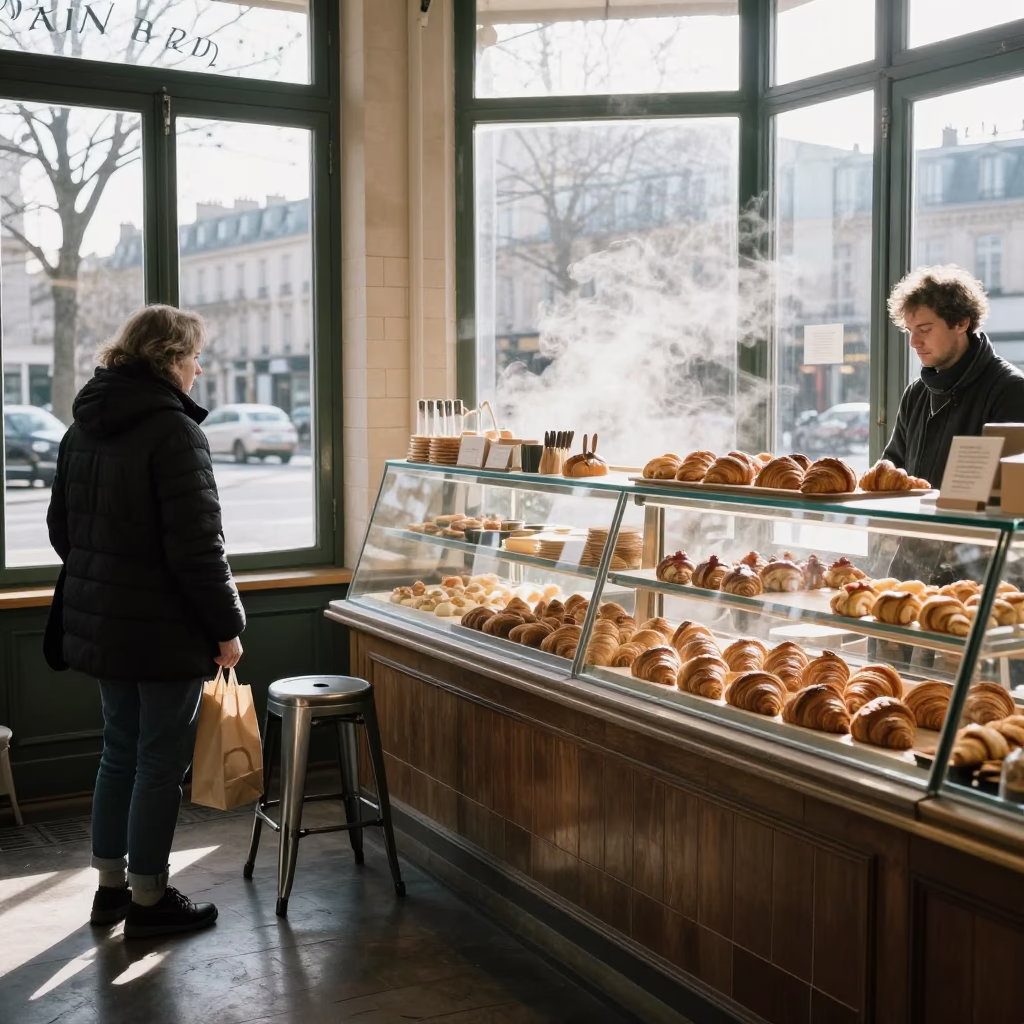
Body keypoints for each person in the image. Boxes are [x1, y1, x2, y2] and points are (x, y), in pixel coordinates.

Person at [45, 305, 246, 940]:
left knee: (118, 754)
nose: (197, 367)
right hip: (162, 631)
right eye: (192, 357)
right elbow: (197, 549)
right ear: (167, 360)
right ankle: (151, 900)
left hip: (104, 624)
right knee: (160, 764)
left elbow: (61, 532)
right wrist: (227, 627)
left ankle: (110, 890)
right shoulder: (174, 432)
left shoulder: (82, 429)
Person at [881, 265, 1024, 585]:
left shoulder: (1011, 391)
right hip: (910, 575)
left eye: (925, 329)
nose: (914, 342)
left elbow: (1009, 502)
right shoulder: (916, 393)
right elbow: (893, 470)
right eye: (910, 331)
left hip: (977, 581)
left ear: (961, 322)